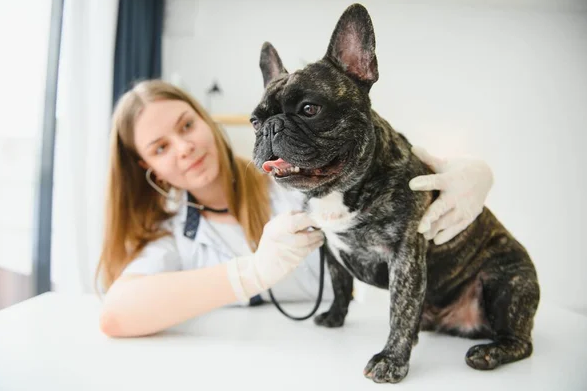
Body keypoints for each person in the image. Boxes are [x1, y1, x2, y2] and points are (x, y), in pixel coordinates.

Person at [97, 79, 493, 338]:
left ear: (207, 120)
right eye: (160, 147)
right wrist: (250, 273)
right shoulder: (170, 235)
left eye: (186, 126)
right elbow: (115, 314)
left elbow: (389, 174)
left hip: (342, 349)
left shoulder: (301, 179)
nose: (183, 148)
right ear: (147, 167)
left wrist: (472, 171)